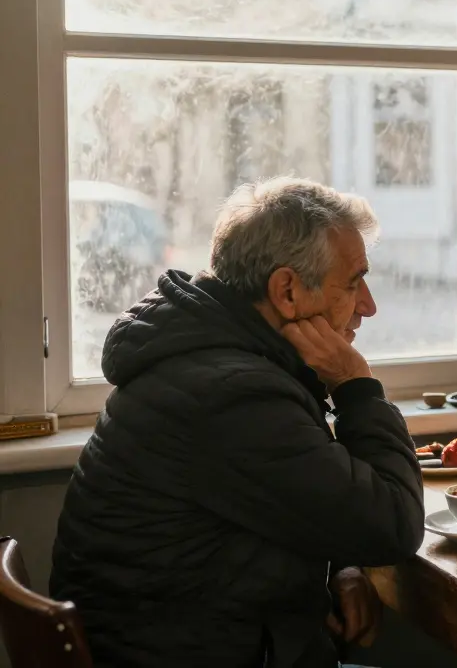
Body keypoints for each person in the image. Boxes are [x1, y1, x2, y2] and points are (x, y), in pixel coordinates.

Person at [50, 177, 426, 667]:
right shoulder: (232, 397)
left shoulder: (211, 358)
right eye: (354, 282)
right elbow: (394, 524)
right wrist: (356, 387)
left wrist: (341, 564)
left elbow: (285, 499)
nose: (368, 305)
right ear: (287, 291)